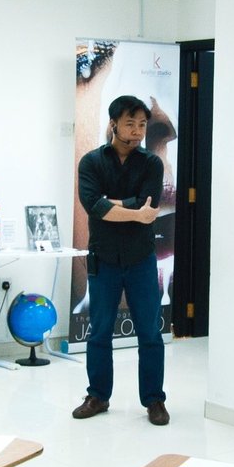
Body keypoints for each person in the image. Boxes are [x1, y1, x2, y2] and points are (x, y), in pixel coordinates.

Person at [72, 94, 170, 426]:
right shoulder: (91, 162)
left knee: (150, 333)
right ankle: (98, 395)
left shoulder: (151, 164)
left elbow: (149, 210)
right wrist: (126, 209)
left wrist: (110, 205)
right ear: (114, 124)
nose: (138, 130)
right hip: (104, 259)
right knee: (99, 331)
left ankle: (154, 400)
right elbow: (94, 208)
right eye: (130, 123)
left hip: (141, 260)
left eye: (142, 124)